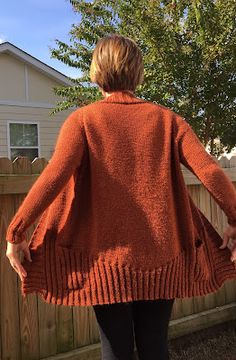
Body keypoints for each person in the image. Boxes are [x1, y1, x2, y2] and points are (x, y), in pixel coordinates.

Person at [5, 34, 236, 360]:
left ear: (96, 71)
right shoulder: (167, 121)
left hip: (104, 261)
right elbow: (210, 171)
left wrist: (16, 233)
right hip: (163, 256)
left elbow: (54, 177)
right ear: (137, 73)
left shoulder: (83, 120)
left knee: (115, 349)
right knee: (156, 345)